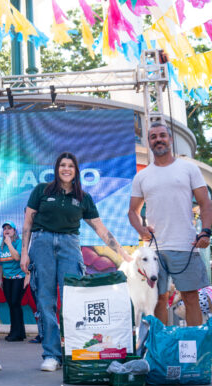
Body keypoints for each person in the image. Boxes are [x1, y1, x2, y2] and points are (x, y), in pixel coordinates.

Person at [21, 152, 133, 372]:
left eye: (70, 166)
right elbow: (27, 222)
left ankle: (74, 350)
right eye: (62, 165)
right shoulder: (41, 190)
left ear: (76, 170)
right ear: (56, 168)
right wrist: (24, 252)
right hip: (41, 243)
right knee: (45, 300)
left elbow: (101, 230)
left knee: (73, 300)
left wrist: (123, 254)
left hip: (70, 246)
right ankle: (52, 355)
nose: (66, 169)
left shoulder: (83, 197)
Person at [128, 123, 212, 329]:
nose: (159, 139)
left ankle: (194, 351)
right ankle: (161, 349)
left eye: (163, 135)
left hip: (186, 244)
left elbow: (205, 203)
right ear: (149, 142)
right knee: (158, 299)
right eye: (154, 137)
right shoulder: (142, 176)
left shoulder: (189, 168)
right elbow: (132, 211)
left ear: (170, 139)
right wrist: (141, 230)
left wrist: (206, 232)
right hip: (156, 250)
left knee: (190, 297)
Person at [0, 221, 26, 341]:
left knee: (15, 303)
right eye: (5, 228)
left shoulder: (18, 242)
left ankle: (17, 333)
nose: (6, 230)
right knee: (11, 305)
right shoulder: (2, 245)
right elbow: (1, 263)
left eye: (9, 228)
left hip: (18, 277)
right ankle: (17, 331)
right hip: (6, 278)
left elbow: (17, 257)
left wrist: (9, 244)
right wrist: (0, 279)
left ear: (14, 231)